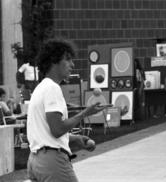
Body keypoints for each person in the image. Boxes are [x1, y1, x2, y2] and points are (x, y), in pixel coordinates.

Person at [26, 39, 108, 182]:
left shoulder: (40, 88)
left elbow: (43, 133)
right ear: (54, 61)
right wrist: (85, 113)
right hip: (52, 163)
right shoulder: (52, 88)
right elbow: (57, 129)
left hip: (35, 161)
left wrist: (75, 139)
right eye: (68, 60)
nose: (72, 64)